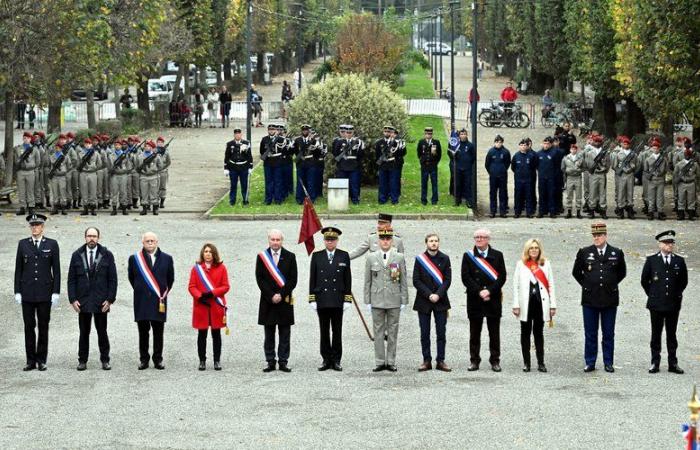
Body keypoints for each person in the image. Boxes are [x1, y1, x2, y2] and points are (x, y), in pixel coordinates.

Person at [572, 222, 626, 373]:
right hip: (590, 299)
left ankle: (608, 362)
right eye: (594, 235)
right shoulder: (584, 252)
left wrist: (610, 284)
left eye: (599, 235)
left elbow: (621, 273)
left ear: (605, 236)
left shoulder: (616, 252)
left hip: (609, 299)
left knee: (608, 333)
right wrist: (587, 284)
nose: (596, 238)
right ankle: (590, 362)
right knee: (590, 333)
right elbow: (576, 272)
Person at [14, 213, 60, 371]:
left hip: (44, 292)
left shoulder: (52, 244)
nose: (35, 228)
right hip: (27, 292)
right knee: (29, 326)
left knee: (43, 326)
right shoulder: (23, 244)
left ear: (43, 227)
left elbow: (57, 270)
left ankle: (41, 359)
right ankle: (30, 360)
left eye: (38, 225)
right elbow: (18, 270)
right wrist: (17, 291)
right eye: (32, 225)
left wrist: (56, 292)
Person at [67, 227, 117, 371]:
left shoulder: (107, 254)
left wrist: (110, 299)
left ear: (99, 238)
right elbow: (71, 280)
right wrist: (72, 299)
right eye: (89, 236)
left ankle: (105, 360)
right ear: (85, 237)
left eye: (94, 236)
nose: (91, 239)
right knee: (84, 332)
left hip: (101, 301)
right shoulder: (77, 255)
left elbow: (112, 280)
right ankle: (82, 360)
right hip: (82, 301)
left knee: (102, 331)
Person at [641, 230, 688, 374]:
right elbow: (644, 281)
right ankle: (655, 362)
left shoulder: (679, 261)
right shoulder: (652, 260)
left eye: (671, 243)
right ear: (659, 244)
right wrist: (654, 294)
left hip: (673, 304)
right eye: (666, 243)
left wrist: (676, 294)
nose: (669, 245)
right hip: (656, 304)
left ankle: (673, 363)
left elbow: (683, 281)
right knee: (656, 334)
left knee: (671, 334)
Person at [461, 228, 507, 372]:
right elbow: (465, 277)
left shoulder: (498, 255)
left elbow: (502, 277)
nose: (479, 239)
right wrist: (479, 291)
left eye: (482, 237)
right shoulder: (468, 256)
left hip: (493, 299)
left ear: (488, 239)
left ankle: (495, 361)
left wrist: (490, 291)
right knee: (474, 333)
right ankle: (474, 361)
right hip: (475, 298)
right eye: (476, 237)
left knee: (494, 333)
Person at [128, 232, 175, 370]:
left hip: (158, 301)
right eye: (147, 241)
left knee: (158, 332)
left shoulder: (167, 258)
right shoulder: (135, 259)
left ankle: (158, 359)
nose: (150, 243)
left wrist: (160, 293)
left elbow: (170, 279)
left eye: (152, 241)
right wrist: (141, 289)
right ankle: (144, 359)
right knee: (143, 332)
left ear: (157, 242)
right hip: (141, 300)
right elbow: (132, 278)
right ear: (142, 243)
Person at [363, 229, 408, 372]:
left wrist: (404, 300)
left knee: (393, 331)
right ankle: (380, 361)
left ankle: (391, 361)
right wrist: (367, 300)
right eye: (383, 239)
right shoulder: (371, 257)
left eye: (388, 239)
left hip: (394, 298)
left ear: (392, 241)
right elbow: (367, 281)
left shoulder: (399, 257)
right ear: (378, 241)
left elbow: (403, 280)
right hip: (377, 299)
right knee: (378, 332)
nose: (385, 241)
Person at [309, 226, 352, 371]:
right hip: (322, 298)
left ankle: (336, 359)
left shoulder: (343, 255)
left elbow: (347, 279)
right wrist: (312, 298)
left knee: (337, 331)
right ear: (324, 241)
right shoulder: (317, 256)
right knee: (324, 330)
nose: (330, 242)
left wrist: (347, 299)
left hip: (337, 299)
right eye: (327, 240)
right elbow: (312, 278)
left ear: (337, 241)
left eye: (332, 240)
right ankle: (326, 359)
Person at [255, 230, 298, 372]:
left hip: (284, 300)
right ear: (268, 240)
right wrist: (271, 295)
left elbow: (293, 279)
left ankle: (284, 361)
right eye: (272, 239)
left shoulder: (290, 257)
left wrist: (281, 294)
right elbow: (260, 279)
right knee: (269, 333)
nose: (275, 242)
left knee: (285, 333)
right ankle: (270, 361)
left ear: (282, 241)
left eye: (278, 239)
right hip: (268, 301)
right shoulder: (262, 257)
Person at [512, 238, 556, 372]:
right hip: (525, 303)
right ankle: (527, 363)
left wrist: (552, 305)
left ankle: (541, 363)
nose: (534, 250)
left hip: (540, 303)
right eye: (531, 248)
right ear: (527, 250)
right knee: (525, 333)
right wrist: (515, 304)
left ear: (539, 249)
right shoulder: (521, 264)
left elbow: (551, 285)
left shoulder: (546, 263)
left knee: (538, 333)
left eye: (536, 248)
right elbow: (515, 285)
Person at [412, 233, 452, 372]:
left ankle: (440, 360)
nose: (433, 243)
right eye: (431, 241)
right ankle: (426, 360)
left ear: (438, 243)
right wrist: (429, 295)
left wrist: (438, 294)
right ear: (426, 243)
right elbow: (416, 280)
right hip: (424, 300)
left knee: (441, 333)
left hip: (440, 301)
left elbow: (447, 280)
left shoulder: (445, 258)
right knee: (425, 333)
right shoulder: (420, 259)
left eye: (435, 241)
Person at [188, 243, 230, 371]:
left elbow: (225, 286)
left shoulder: (221, 268)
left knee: (216, 334)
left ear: (214, 254)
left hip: (216, 304)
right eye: (205, 251)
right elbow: (191, 286)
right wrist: (200, 296)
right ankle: (202, 361)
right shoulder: (196, 269)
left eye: (210, 252)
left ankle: (217, 360)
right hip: (201, 305)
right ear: (202, 253)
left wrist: (212, 293)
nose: (207, 254)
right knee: (202, 334)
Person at [332, 125, 364, 205]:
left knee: (354, 184)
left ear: (353, 133)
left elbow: (361, 155)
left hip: (354, 166)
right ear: (345, 133)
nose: (349, 134)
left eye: (350, 132)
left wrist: (357, 163)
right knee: (341, 183)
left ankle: (355, 200)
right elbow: (335, 153)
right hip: (342, 166)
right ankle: (342, 200)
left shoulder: (357, 142)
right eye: (347, 132)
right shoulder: (339, 142)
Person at [14, 132, 42, 216]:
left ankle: (31, 207)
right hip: (21, 171)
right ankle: (22, 207)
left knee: (30, 190)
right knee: (21, 190)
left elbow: (38, 161)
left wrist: (31, 166)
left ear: (30, 139)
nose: (26, 139)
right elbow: (16, 160)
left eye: (28, 138)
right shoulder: (18, 149)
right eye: (24, 138)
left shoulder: (34, 149)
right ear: (23, 138)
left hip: (30, 172)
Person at [583, 133, 611, 219]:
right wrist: (593, 169)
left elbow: (608, 163)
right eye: (596, 142)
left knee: (602, 193)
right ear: (593, 142)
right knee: (593, 192)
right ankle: (591, 210)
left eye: (599, 142)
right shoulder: (589, 152)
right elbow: (587, 163)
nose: (597, 143)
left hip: (602, 174)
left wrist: (604, 170)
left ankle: (603, 210)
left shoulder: (604, 152)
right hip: (593, 174)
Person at [375, 125, 404, 205]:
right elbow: (377, 155)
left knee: (393, 183)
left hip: (393, 165)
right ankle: (382, 199)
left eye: (389, 132)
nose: (387, 133)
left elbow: (401, 154)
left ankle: (394, 200)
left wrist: (399, 144)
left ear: (392, 133)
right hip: (383, 165)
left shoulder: (397, 142)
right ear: (383, 132)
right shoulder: (379, 142)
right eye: (385, 131)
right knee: (382, 183)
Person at [611, 136, 637, 219]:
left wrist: (630, 169)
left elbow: (636, 164)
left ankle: (630, 210)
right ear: (622, 144)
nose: (625, 145)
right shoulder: (618, 154)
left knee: (630, 192)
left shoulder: (633, 154)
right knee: (621, 193)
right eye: (624, 144)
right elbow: (614, 166)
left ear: (629, 145)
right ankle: (621, 210)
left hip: (630, 175)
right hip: (621, 175)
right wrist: (620, 170)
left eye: (627, 144)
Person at [224, 128, 253, 205]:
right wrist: (226, 168)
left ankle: (245, 200)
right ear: (234, 135)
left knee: (244, 185)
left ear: (241, 134)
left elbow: (249, 156)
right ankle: (232, 201)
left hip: (244, 167)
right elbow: (227, 156)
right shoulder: (230, 144)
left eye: (239, 134)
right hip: (233, 167)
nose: (237, 135)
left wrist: (250, 167)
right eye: (236, 134)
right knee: (233, 185)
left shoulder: (246, 143)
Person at [485, 135, 510, 218]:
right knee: (493, 193)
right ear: (494, 142)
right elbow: (487, 164)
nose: (498, 144)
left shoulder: (506, 152)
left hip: (502, 176)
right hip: (493, 176)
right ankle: (493, 211)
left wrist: (502, 170)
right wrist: (491, 171)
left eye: (500, 142)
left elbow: (507, 163)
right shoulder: (491, 152)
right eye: (497, 142)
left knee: (502, 193)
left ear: (502, 143)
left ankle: (502, 211)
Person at [511, 138, 537, 218]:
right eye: (521, 145)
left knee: (529, 196)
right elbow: (513, 167)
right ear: (519, 146)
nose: (523, 146)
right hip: (518, 180)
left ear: (527, 146)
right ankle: (517, 212)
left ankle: (529, 212)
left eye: (524, 145)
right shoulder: (516, 156)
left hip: (528, 180)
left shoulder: (531, 156)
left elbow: (534, 167)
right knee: (518, 196)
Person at [136, 140, 163, 215]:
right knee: (144, 193)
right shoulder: (140, 156)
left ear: (152, 148)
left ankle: (155, 208)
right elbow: (137, 166)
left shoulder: (156, 156)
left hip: (153, 176)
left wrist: (155, 170)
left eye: (149, 146)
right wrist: (142, 172)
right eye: (146, 146)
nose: (147, 147)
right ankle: (144, 208)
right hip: (144, 177)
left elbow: (160, 166)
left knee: (154, 192)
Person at [74, 138, 100, 216]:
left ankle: (93, 208)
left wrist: (94, 168)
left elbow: (99, 163)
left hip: (92, 173)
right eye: (86, 144)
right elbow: (77, 164)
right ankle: (85, 208)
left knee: (93, 191)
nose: (87, 145)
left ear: (91, 144)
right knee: (84, 191)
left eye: (89, 143)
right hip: (83, 173)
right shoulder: (80, 153)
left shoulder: (95, 153)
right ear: (84, 145)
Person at [294, 125, 319, 204]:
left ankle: (311, 199)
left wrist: (314, 151)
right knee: (300, 182)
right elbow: (294, 150)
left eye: (306, 130)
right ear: (301, 131)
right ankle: (300, 199)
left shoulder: (314, 140)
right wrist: (300, 156)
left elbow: (317, 153)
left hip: (310, 163)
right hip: (300, 163)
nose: (305, 131)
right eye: (303, 130)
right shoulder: (297, 140)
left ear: (309, 131)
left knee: (311, 181)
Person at [644, 138, 668, 220]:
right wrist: (650, 176)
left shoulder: (663, 159)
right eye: (653, 148)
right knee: (651, 197)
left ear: (659, 149)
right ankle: (651, 212)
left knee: (660, 197)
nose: (655, 149)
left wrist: (660, 174)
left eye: (657, 148)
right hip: (652, 180)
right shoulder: (648, 159)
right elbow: (646, 170)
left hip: (660, 180)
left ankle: (660, 212)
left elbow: (665, 169)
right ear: (651, 148)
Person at [417, 127, 442, 205]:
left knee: (434, 183)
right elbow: (419, 153)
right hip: (424, 166)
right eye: (427, 134)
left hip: (433, 166)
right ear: (424, 134)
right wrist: (422, 161)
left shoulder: (436, 142)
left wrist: (435, 162)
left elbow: (439, 154)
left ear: (432, 134)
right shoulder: (421, 142)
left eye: (430, 134)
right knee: (424, 183)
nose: (428, 135)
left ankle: (434, 200)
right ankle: (423, 200)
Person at [451, 128, 475, 207]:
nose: (463, 135)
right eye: (461, 134)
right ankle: (457, 201)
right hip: (458, 168)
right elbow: (451, 155)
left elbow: (473, 157)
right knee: (458, 185)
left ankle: (469, 201)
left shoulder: (470, 145)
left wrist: (468, 163)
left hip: (467, 169)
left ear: (466, 135)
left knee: (467, 185)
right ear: (459, 135)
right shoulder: (456, 145)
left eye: (464, 134)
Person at [47, 140, 72, 215]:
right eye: (56, 148)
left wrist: (65, 171)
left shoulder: (65, 156)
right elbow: (49, 165)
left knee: (62, 191)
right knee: (55, 192)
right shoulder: (52, 156)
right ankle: (55, 208)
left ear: (61, 148)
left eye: (59, 148)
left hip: (62, 177)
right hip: (54, 176)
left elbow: (69, 165)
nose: (57, 149)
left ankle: (63, 207)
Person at [108, 139, 132, 215]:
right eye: (116, 145)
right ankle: (114, 208)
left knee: (123, 192)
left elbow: (129, 166)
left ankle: (124, 208)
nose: (117, 146)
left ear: (121, 146)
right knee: (114, 192)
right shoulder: (111, 155)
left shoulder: (125, 155)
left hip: (123, 175)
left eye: (119, 145)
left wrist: (124, 170)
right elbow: (109, 166)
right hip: (114, 175)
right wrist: (113, 170)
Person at [536, 137, 558, 218]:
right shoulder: (538, 154)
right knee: (542, 195)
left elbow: (556, 166)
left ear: (550, 144)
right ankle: (541, 211)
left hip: (551, 178)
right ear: (542, 144)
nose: (545, 145)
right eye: (544, 143)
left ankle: (552, 211)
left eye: (547, 144)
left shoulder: (554, 153)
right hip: (542, 177)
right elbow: (536, 165)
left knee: (551, 194)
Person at [674, 143, 697, 220]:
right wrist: (679, 178)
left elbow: (698, 174)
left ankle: (691, 215)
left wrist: (693, 178)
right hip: (682, 183)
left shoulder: (694, 164)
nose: (687, 156)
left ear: (690, 155)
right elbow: (675, 174)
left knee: (691, 200)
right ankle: (681, 215)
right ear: (684, 155)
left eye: (688, 155)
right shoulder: (679, 164)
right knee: (681, 199)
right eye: (686, 155)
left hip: (691, 183)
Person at [561, 144, 584, 218]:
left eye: (575, 149)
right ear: (570, 150)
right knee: (569, 195)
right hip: (570, 178)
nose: (573, 150)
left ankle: (578, 212)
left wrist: (579, 170)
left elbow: (584, 167)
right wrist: (568, 171)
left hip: (577, 177)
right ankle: (569, 212)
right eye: (572, 149)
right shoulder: (566, 158)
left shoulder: (580, 158)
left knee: (578, 195)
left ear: (576, 150)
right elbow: (563, 168)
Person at [155, 136, 171, 209]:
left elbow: (168, 162)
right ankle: (155, 202)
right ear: (156, 143)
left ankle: (162, 202)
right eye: (158, 142)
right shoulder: (154, 151)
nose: (160, 144)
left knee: (163, 187)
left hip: (163, 172)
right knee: (155, 187)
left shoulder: (166, 152)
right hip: (155, 172)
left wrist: (163, 168)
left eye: (161, 142)